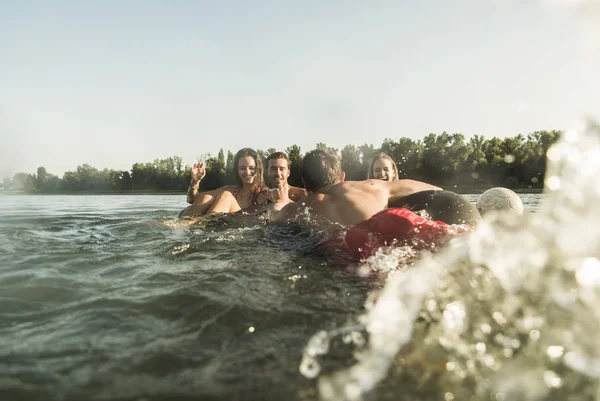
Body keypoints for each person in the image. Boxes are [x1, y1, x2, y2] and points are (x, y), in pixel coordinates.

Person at [268, 149, 477, 264]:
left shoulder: (304, 204)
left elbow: (275, 217)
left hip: (362, 239)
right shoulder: (374, 185)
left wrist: (281, 201)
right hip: (397, 218)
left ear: (304, 184)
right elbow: (438, 190)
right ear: (341, 176)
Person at [180, 148, 269, 217]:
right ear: (237, 170)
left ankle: (196, 223)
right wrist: (195, 182)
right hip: (215, 227)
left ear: (258, 169)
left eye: (251, 168)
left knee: (226, 196)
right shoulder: (231, 190)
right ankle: (182, 225)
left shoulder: (265, 194)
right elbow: (192, 200)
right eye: (242, 168)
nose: (247, 172)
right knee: (206, 198)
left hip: (240, 229)